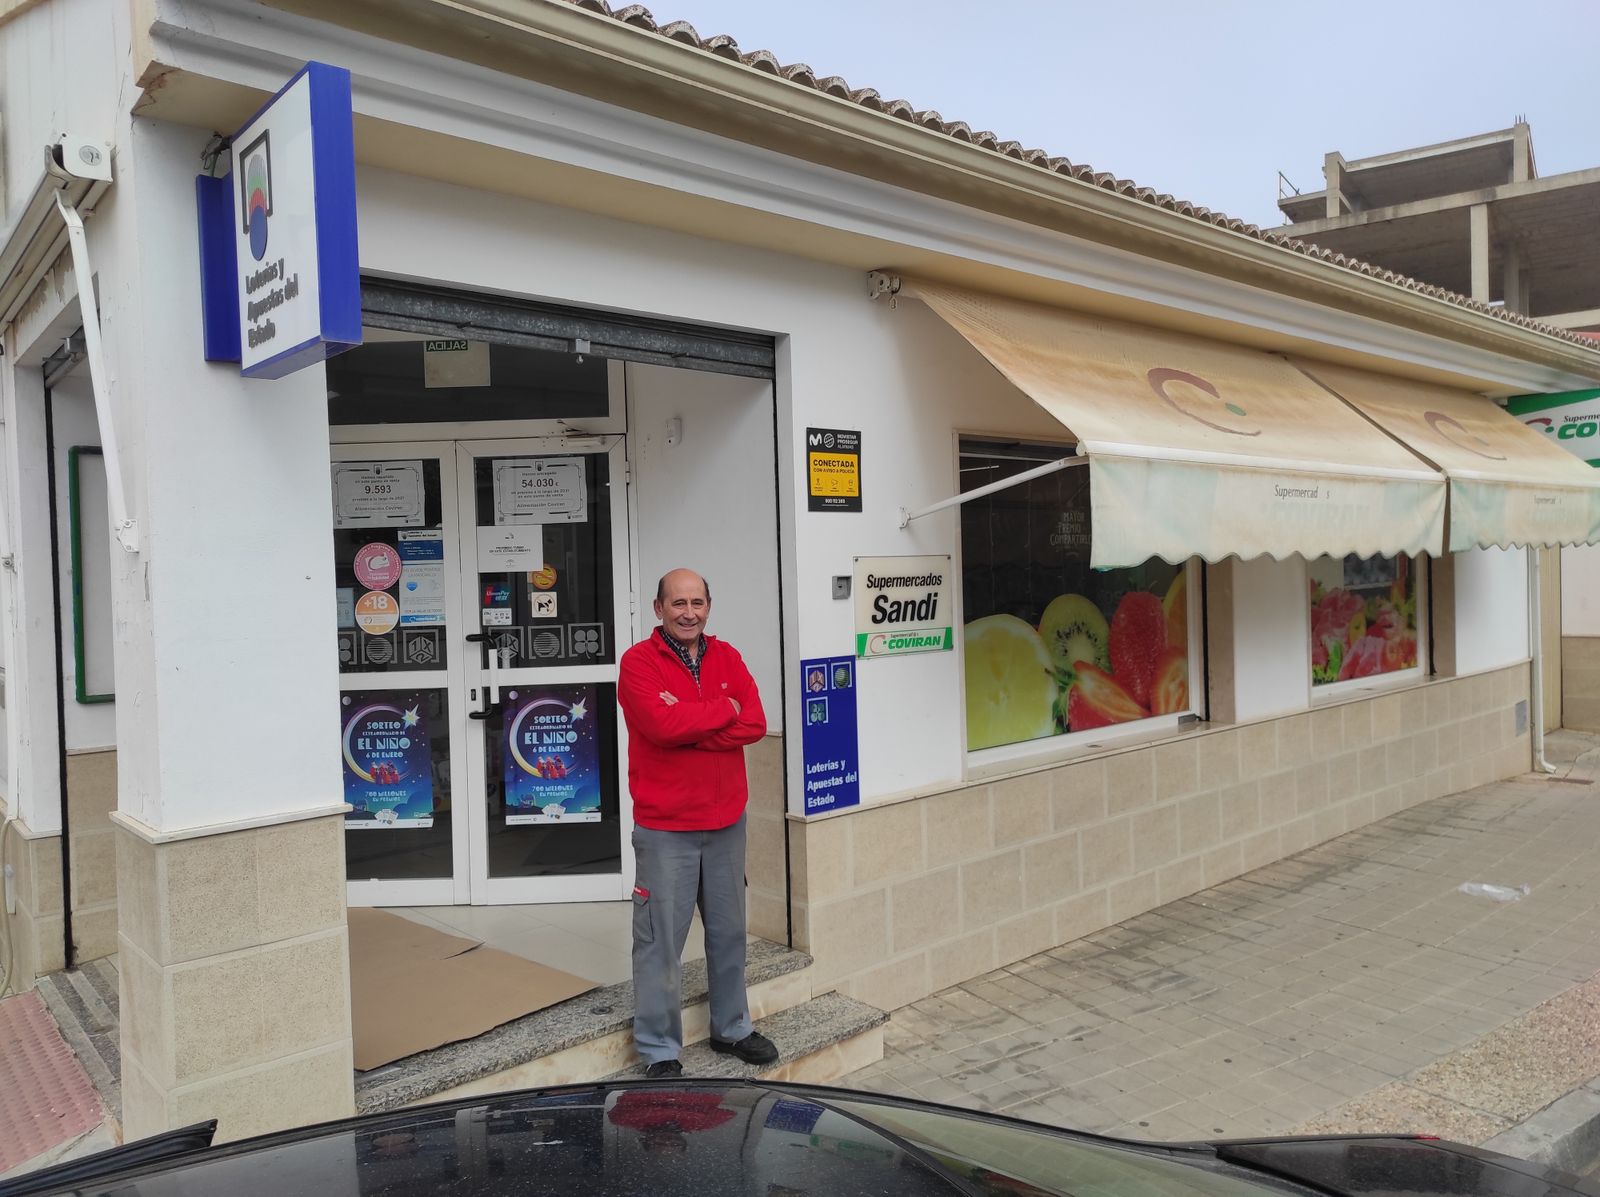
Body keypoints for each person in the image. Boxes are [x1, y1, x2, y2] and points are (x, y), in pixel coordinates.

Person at [617, 568, 778, 1078]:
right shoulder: (639, 663)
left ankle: (732, 1028)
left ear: (708, 606)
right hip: (666, 828)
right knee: (660, 942)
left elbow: (754, 722)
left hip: (727, 821)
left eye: (697, 603)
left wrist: (692, 719)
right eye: (678, 603)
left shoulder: (728, 656)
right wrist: (722, 709)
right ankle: (659, 1050)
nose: (689, 613)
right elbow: (660, 727)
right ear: (658, 608)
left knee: (729, 933)